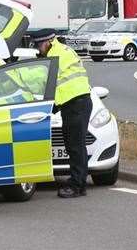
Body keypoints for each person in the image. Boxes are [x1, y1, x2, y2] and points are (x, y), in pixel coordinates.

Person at [30, 29, 92, 198]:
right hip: (73, 102)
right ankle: (79, 183)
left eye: (38, 45)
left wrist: (13, 73)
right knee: (73, 144)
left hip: (75, 103)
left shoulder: (56, 55)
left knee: (75, 146)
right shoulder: (62, 50)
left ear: (47, 42)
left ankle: (77, 185)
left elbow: (40, 77)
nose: (37, 49)